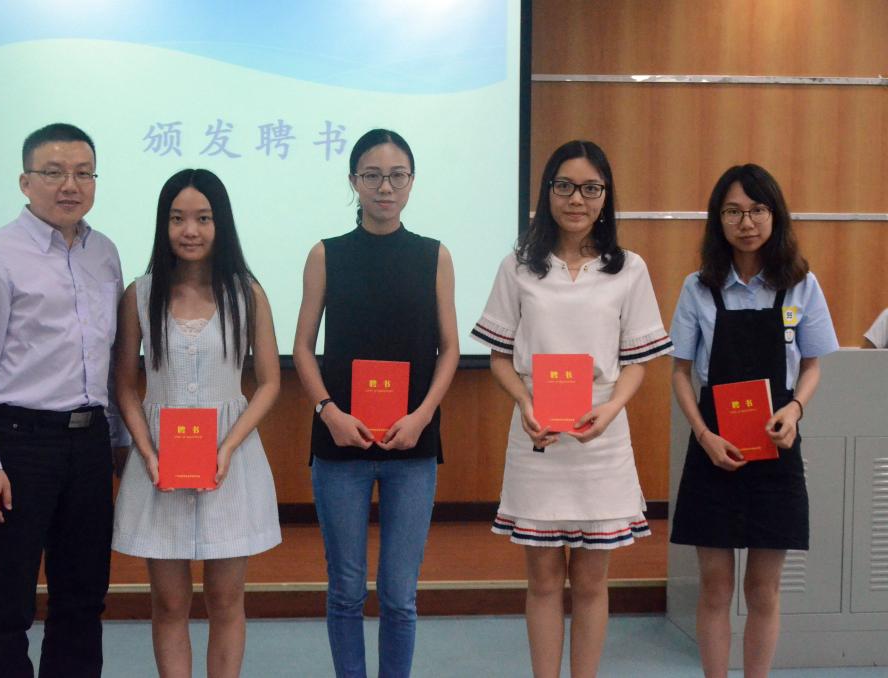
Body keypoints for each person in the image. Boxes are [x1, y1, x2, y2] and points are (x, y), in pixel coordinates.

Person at [471, 140, 672, 678]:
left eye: (590, 188)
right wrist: (524, 401)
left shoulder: (628, 269)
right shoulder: (518, 267)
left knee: (590, 582)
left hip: (600, 438)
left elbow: (637, 362)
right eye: (564, 186)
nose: (576, 199)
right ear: (547, 192)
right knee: (541, 581)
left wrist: (611, 410)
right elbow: (499, 358)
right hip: (537, 435)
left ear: (605, 196)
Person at [0, 123, 129, 677]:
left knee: (83, 597)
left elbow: (109, 355)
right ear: (26, 182)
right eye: (54, 173)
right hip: (20, 444)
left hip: (90, 442)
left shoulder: (104, 253)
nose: (69, 185)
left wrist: (118, 438)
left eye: (83, 173)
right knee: (9, 603)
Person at [292, 128, 459, 677]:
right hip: (341, 442)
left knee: (399, 595)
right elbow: (302, 347)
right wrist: (329, 412)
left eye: (396, 176)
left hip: (412, 444)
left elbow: (450, 348)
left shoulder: (434, 255)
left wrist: (422, 416)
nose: (385, 187)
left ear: (411, 181)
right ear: (354, 181)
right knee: (345, 589)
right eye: (372, 176)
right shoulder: (326, 254)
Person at [669, 164, 839, 677]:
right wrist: (704, 435)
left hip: (777, 447)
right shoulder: (698, 287)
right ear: (718, 220)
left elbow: (812, 366)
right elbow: (680, 373)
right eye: (733, 212)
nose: (746, 223)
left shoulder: (801, 285)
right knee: (715, 586)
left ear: (775, 215)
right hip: (713, 446)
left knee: (764, 588)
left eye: (757, 210)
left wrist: (795, 409)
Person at [111, 169, 282, 678]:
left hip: (230, 460)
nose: (190, 230)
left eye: (203, 219)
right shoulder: (140, 294)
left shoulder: (247, 294)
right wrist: (147, 451)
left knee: (226, 600)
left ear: (220, 223)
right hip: (159, 462)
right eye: (178, 219)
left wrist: (228, 446)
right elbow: (125, 384)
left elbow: (269, 382)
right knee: (168, 602)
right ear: (163, 225)